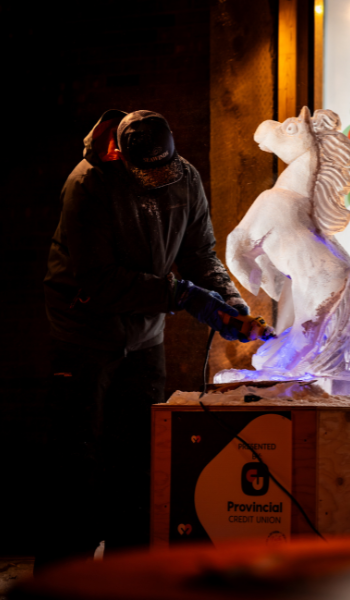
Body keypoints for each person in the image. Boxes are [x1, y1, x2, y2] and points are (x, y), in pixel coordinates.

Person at [40, 109, 254, 565]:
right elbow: (99, 280)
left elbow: (199, 252)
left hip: (143, 336)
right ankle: (63, 578)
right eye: (148, 172)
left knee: (138, 458)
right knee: (78, 458)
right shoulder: (88, 186)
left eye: (166, 168)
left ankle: (130, 572)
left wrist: (227, 300)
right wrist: (181, 294)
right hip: (83, 333)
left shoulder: (185, 178)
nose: (160, 178)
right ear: (119, 155)